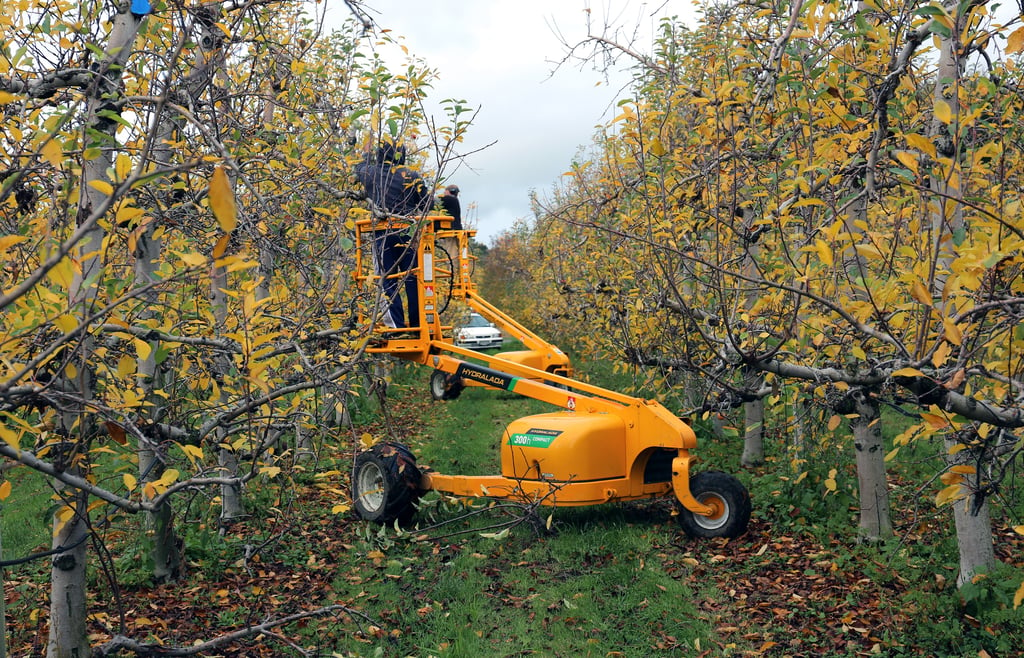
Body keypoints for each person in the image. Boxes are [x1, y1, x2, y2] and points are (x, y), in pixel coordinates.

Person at [354, 141, 432, 329]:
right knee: (414, 278)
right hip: (409, 233)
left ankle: (396, 326)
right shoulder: (411, 175)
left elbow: (358, 169)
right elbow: (426, 204)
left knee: (387, 280)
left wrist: (365, 154)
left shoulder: (370, 173)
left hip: (382, 234)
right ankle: (418, 323)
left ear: (380, 154)